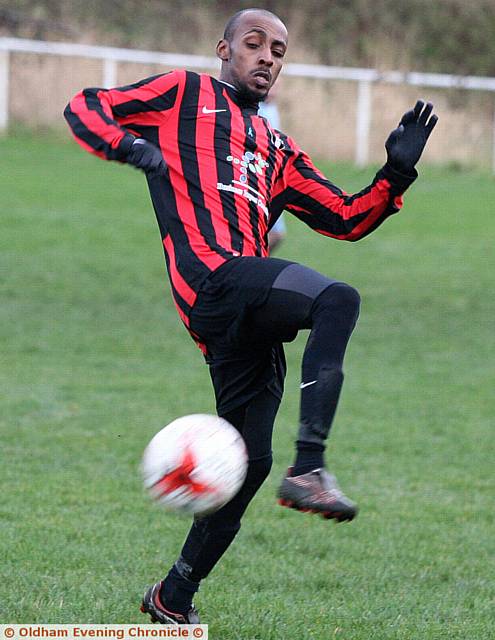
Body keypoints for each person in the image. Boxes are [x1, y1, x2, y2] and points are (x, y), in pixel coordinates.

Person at [64, 7, 437, 625]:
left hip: (245, 305)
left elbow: (346, 218)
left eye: (279, 51)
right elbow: (86, 106)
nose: (267, 57)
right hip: (213, 281)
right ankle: (311, 466)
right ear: (224, 49)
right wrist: (130, 147)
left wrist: (396, 173)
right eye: (255, 44)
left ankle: (171, 599)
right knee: (336, 298)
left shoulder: (278, 147)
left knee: (247, 462)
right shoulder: (184, 92)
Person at [257, 85, 287, 251]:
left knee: (275, 234)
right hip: (261, 178)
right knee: (273, 233)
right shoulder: (257, 110)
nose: (275, 89)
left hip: (272, 178)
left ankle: (252, 270)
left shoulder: (271, 109)